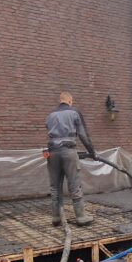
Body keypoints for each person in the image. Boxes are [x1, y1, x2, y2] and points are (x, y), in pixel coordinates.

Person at [45, 91, 97, 226]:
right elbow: (83, 135)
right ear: (70, 101)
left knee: (55, 186)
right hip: (68, 152)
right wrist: (92, 152)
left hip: (52, 153)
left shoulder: (50, 115)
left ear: (60, 100)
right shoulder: (74, 113)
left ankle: (56, 217)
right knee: (74, 183)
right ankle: (81, 217)